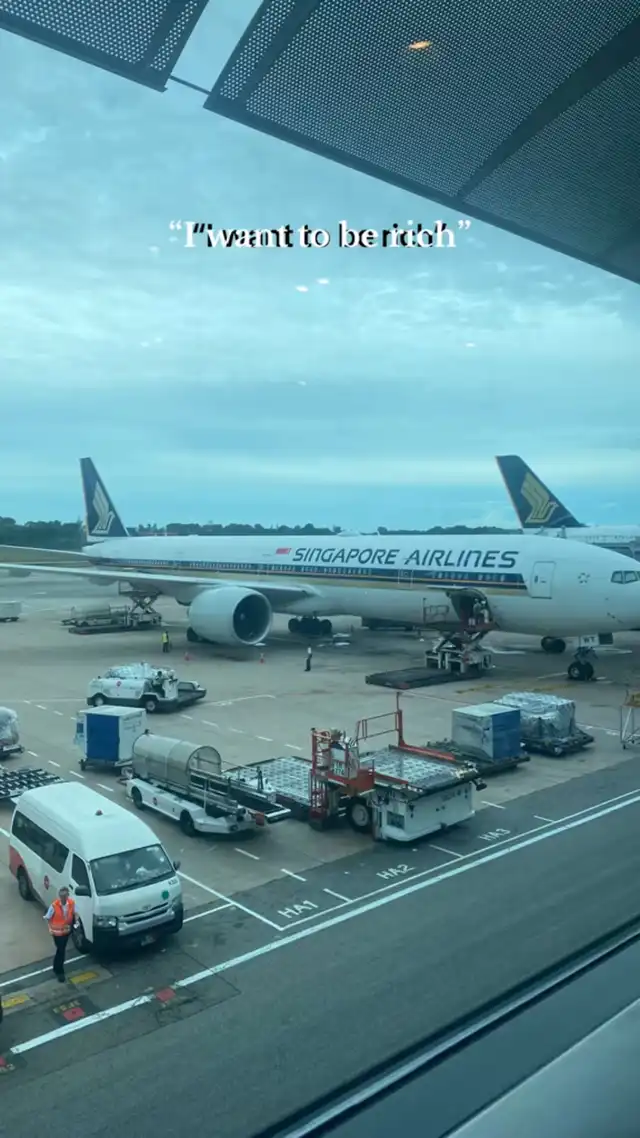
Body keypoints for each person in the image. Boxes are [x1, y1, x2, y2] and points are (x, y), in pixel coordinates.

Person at [44, 886, 76, 982]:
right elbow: (47, 917)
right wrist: (50, 928)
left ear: (67, 895)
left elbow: (74, 914)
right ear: (59, 896)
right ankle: (59, 971)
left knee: (61, 950)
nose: (63, 898)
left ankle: (56, 967)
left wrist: (75, 924)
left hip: (66, 932)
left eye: (65, 896)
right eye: (62, 896)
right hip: (57, 934)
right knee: (61, 950)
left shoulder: (71, 903)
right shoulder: (54, 906)